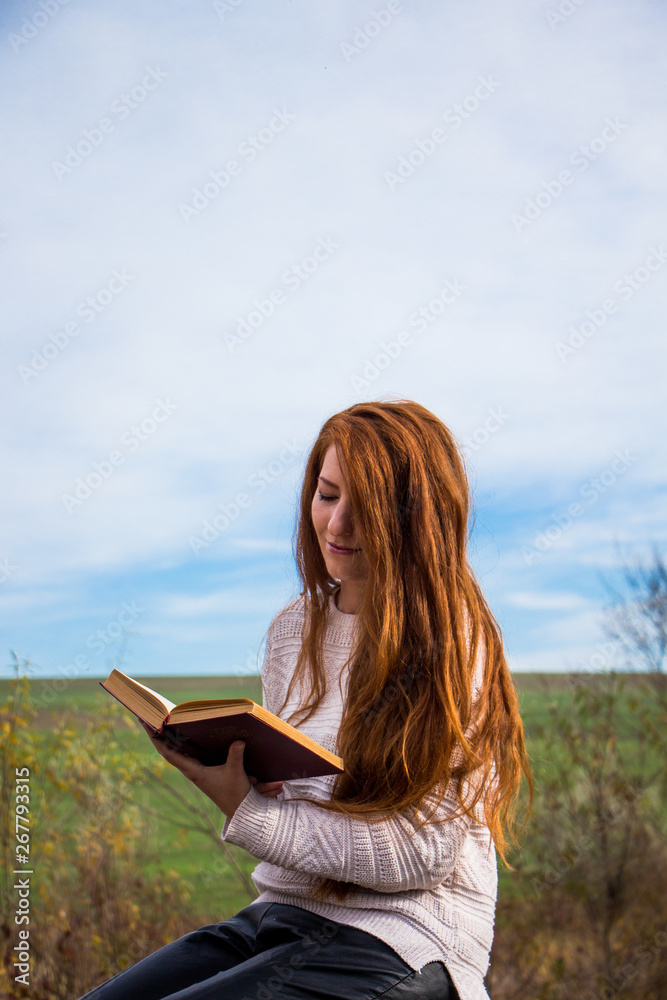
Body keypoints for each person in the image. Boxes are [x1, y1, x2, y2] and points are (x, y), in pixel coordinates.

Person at [77, 399, 532, 1000]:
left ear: (414, 518)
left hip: (407, 936)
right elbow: (307, 798)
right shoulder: (293, 630)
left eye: (365, 507)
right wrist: (250, 774)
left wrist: (248, 811)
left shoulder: (452, 641)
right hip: (281, 914)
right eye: (327, 494)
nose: (337, 525)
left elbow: (422, 853)